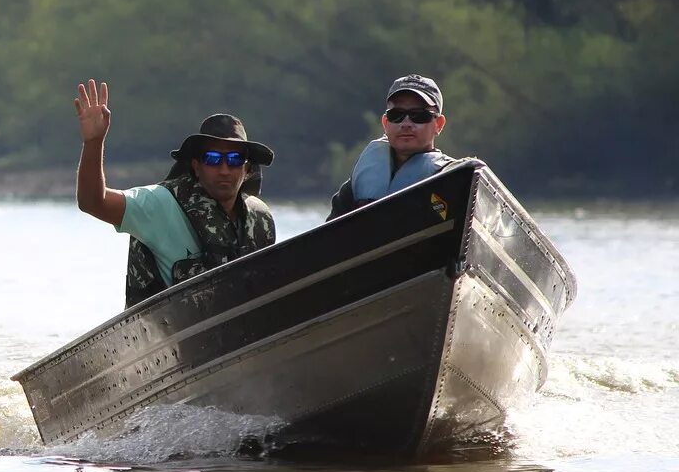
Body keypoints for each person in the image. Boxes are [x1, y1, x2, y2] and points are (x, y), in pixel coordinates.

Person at [73, 79, 277, 309]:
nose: (224, 169)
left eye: (234, 160)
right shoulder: (160, 203)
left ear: (247, 169)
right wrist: (94, 142)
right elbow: (92, 202)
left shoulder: (260, 218)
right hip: (166, 334)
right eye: (212, 159)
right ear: (196, 166)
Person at [327, 74, 454, 220]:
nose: (406, 123)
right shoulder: (355, 188)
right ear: (386, 123)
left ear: (438, 124)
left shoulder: (453, 178)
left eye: (418, 115)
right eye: (396, 115)